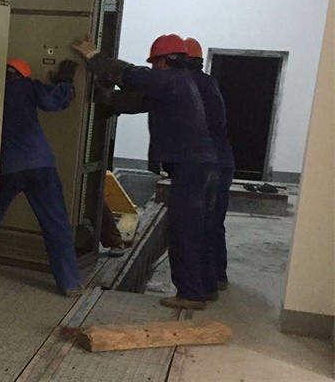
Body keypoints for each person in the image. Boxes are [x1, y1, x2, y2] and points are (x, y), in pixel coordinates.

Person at [71, 34, 218, 310]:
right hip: (201, 166)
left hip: (191, 168)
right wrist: (107, 99)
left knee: (183, 231)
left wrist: (95, 57)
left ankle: (191, 293)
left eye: (154, 63)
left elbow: (131, 75)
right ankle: (205, 288)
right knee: (196, 229)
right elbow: (137, 101)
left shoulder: (171, 80)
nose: (152, 67)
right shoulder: (180, 84)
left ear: (165, 61)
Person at [0, 57, 83, 296]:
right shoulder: (29, 86)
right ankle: (70, 283)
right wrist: (65, 83)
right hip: (40, 164)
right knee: (56, 224)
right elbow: (54, 102)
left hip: (7, 167)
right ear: (23, 74)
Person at [185, 37, 236, 291]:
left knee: (200, 223)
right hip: (221, 160)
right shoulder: (208, 83)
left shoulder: (188, 84)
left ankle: (204, 283)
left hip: (207, 164)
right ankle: (217, 276)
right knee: (214, 221)